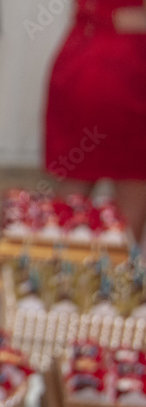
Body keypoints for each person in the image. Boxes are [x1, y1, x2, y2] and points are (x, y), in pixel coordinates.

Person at [44, 0, 146, 250]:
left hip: (82, 64)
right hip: (128, 71)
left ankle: (58, 278)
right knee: (130, 194)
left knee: (70, 201)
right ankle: (115, 281)